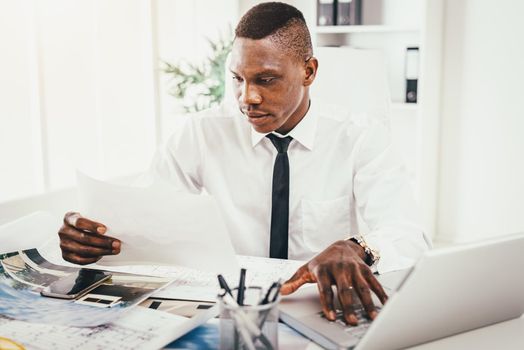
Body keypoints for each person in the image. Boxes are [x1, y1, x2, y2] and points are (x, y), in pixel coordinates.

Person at [58, 2, 429, 326]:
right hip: (230, 307)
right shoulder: (202, 133)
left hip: (322, 306)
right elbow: (147, 213)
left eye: (266, 80)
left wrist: (357, 247)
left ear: (309, 72)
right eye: (237, 79)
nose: (246, 97)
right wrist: (94, 236)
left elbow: (409, 236)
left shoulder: (362, 138)